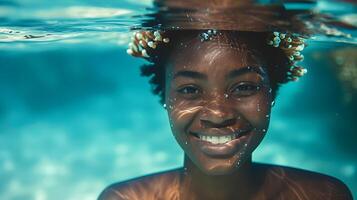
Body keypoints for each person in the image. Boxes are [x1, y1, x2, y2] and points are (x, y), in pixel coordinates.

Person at [98, 2, 353, 200]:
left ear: (271, 92)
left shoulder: (323, 195)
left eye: (243, 87)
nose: (218, 114)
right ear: (165, 96)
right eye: (189, 90)